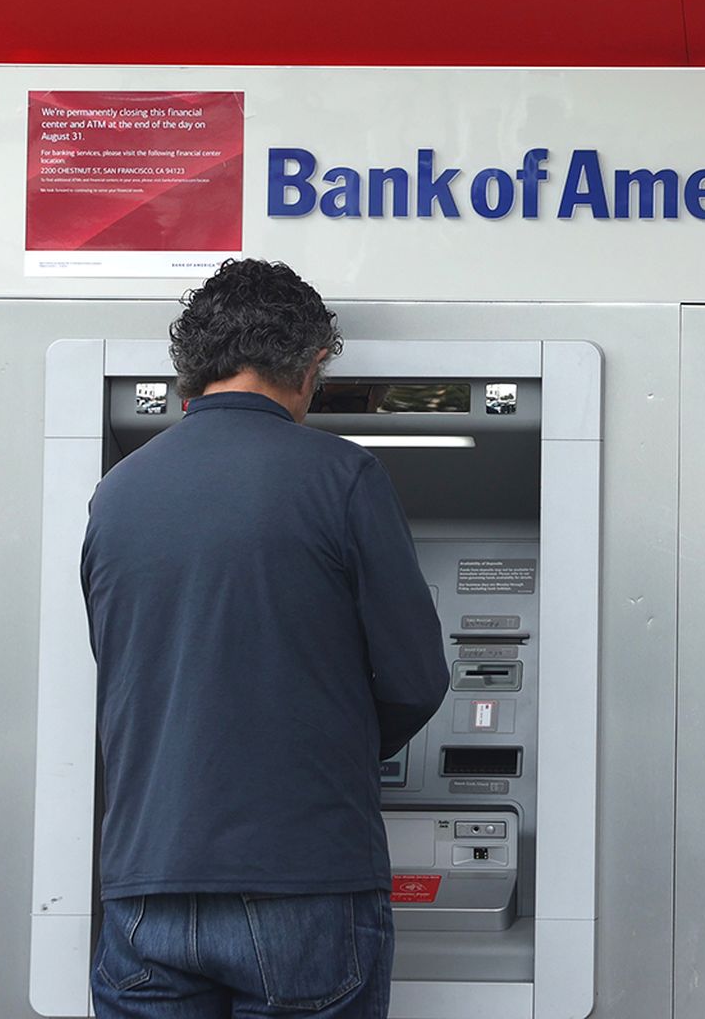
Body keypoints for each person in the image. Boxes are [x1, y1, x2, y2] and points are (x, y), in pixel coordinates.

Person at [80, 258, 450, 1018]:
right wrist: (326, 742)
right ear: (312, 364)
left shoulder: (117, 493)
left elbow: (129, 670)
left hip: (146, 886)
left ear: (195, 364)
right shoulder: (342, 477)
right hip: (305, 881)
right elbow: (415, 677)